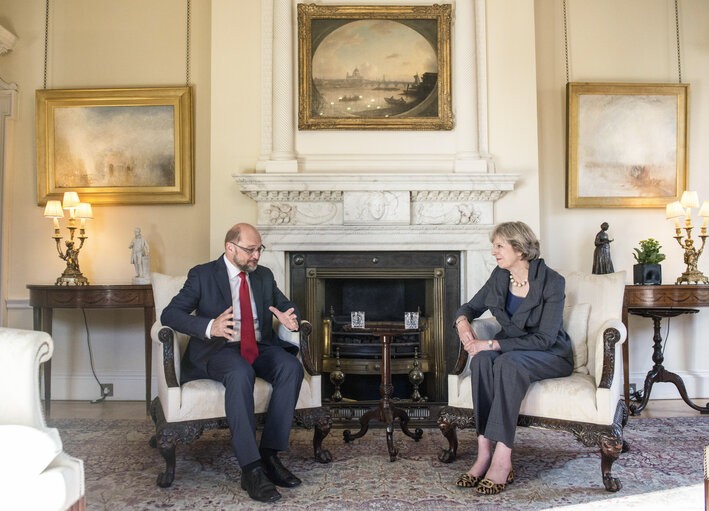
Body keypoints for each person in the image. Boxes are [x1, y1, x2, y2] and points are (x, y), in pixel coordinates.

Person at [161, 223, 303, 503]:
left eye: (259, 249)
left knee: (291, 367)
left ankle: (269, 456)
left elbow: (286, 305)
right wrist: (209, 326)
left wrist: (291, 317)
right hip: (218, 349)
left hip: (259, 345)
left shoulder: (263, 276)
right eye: (250, 250)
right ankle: (250, 469)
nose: (256, 256)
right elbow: (170, 314)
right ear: (230, 248)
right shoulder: (202, 275)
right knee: (240, 373)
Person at [453, 221, 573, 495]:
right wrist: (462, 322)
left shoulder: (552, 281)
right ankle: (484, 452)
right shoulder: (499, 276)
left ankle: (503, 458)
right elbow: (470, 306)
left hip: (550, 354)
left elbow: (545, 339)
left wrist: (491, 343)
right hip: (513, 350)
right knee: (481, 361)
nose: (494, 252)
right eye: (493, 246)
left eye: (499, 246)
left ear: (519, 249)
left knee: (505, 361)